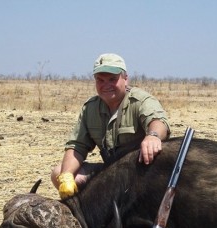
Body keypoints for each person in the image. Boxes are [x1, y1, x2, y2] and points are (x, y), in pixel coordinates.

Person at [51, 53, 170, 199]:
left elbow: (158, 122)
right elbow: (77, 146)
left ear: (125, 79)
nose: (106, 85)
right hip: (112, 172)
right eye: (100, 80)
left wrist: (153, 136)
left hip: (139, 172)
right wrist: (67, 176)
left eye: (112, 79)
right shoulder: (90, 108)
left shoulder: (140, 100)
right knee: (59, 173)